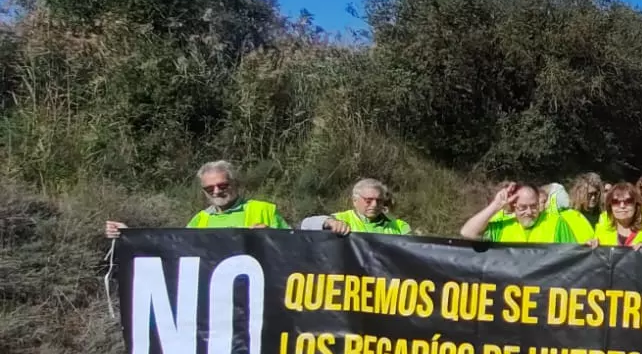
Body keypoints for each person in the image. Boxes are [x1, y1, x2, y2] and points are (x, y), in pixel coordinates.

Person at [106, 160, 289, 237]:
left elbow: (296, 250)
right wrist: (128, 235)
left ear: (235, 183)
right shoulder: (199, 220)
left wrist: (272, 237)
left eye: (222, 185)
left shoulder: (265, 210)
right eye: (209, 188)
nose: (216, 191)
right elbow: (170, 250)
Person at [462, 182, 575, 243]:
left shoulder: (556, 223)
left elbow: (575, 256)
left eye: (534, 206)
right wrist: (495, 206)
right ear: (514, 205)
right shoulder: (502, 226)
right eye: (523, 207)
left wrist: (588, 247)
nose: (529, 212)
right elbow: (467, 233)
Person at [323, 178, 412, 235]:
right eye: (368, 201)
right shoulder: (339, 219)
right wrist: (328, 222)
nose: (375, 205)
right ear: (355, 201)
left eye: (379, 200)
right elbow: (309, 223)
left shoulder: (400, 226)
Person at [591, 183, 642, 247]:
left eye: (628, 201)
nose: (622, 206)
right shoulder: (601, 231)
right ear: (610, 206)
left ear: (636, 205)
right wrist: (588, 247)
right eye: (615, 201)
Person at [568, 173, 603, 240]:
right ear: (579, 193)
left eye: (596, 194)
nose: (593, 197)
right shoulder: (569, 216)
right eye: (589, 194)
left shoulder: (604, 216)